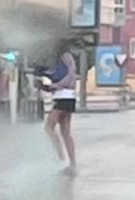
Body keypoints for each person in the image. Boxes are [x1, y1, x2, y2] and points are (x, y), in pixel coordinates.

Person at [43, 41, 77, 175]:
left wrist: (57, 86)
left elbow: (71, 74)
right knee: (65, 131)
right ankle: (72, 163)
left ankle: (61, 158)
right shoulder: (60, 59)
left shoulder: (65, 56)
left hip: (64, 96)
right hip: (65, 96)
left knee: (49, 126)